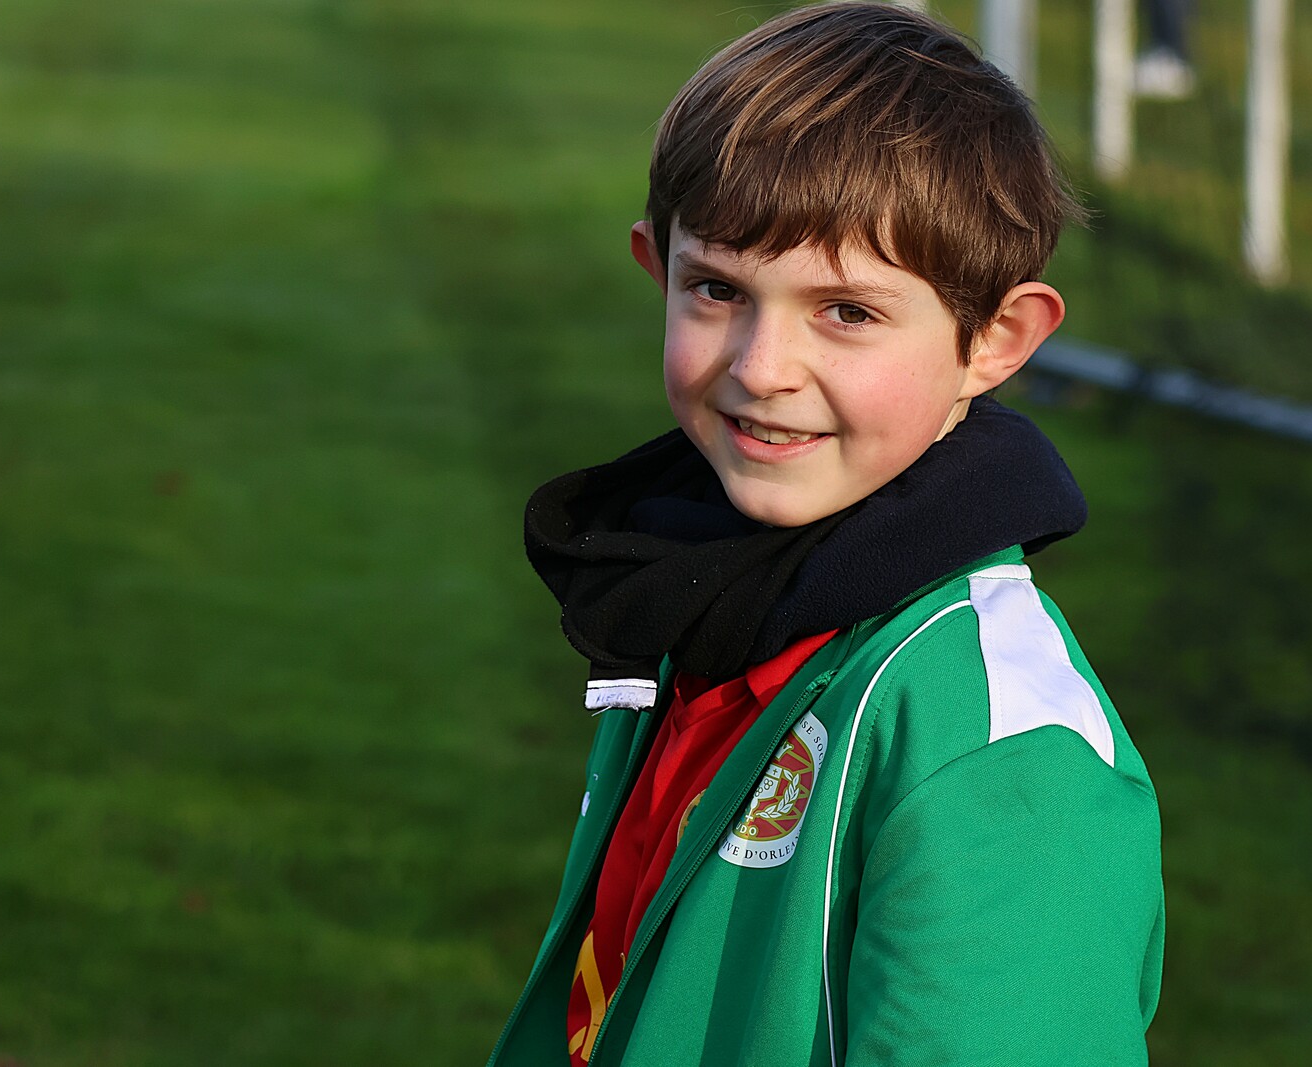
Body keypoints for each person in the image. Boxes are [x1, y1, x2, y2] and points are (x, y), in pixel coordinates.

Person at [491, 4, 1164, 1064]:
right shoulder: (685, 591)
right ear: (656, 269)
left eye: (846, 311)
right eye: (717, 289)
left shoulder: (999, 752)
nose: (761, 367)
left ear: (996, 339)